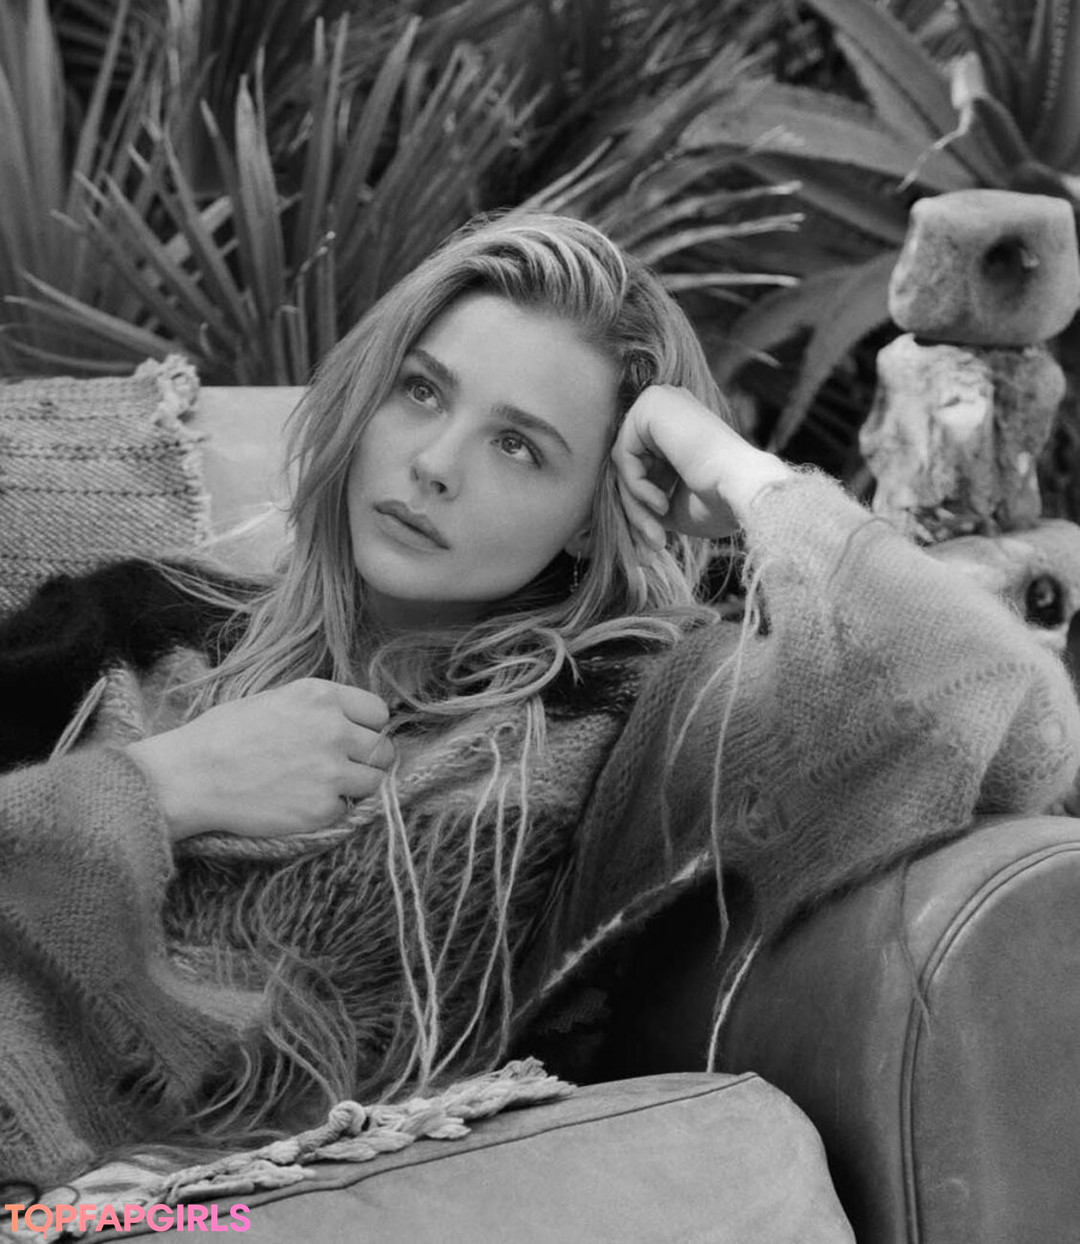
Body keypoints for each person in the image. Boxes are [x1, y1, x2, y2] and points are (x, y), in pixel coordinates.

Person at [1, 212, 1078, 1193]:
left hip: (210, 1197)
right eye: (422, 391)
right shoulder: (120, 627)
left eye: (519, 445)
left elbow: (1000, 713)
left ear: (590, 510)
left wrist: (733, 468)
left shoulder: (620, 716)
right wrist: (162, 785)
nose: (434, 464)